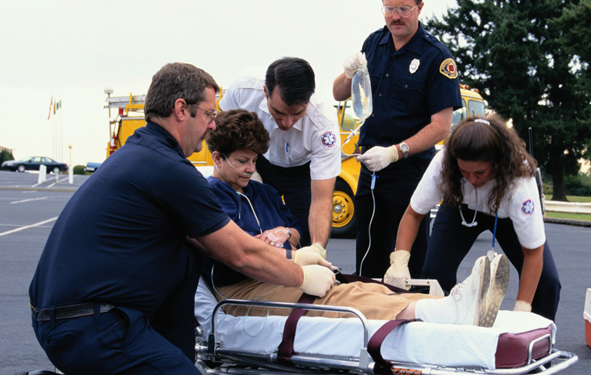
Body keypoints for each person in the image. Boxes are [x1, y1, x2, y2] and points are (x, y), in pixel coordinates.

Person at [12, 63, 336, 375]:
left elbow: (212, 247)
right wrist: (300, 275)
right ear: (182, 110)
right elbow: (241, 253)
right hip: (91, 329)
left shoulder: (139, 155)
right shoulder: (169, 170)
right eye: (209, 115)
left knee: (184, 256)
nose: (213, 126)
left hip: (72, 318)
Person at [203, 108, 509, 329]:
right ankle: (442, 315)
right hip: (243, 289)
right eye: (242, 161)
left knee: (368, 287)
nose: (248, 168)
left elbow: (296, 228)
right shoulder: (210, 197)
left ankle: (444, 307)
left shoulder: (263, 193)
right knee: (342, 298)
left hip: (278, 273)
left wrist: (285, 233)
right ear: (218, 158)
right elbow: (240, 252)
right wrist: (294, 257)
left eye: (254, 161)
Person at [383, 115, 562, 375]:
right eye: (464, 171)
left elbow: (533, 252)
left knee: (548, 284)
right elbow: (413, 214)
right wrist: (400, 259)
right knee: (434, 274)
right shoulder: (444, 163)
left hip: (505, 217)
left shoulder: (520, 177)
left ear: (498, 163)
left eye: (479, 172)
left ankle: (530, 370)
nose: (472, 178)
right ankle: (441, 358)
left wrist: (523, 308)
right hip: (458, 209)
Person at [332, 0, 461, 278]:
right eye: (389, 8)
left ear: (419, 7)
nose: (395, 16)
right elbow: (338, 94)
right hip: (370, 170)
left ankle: (412, 314)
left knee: (411, 262)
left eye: (403, 8)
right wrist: (348, 73)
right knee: (368, 257)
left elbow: (441, 127)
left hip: (409, 172)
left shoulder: (437, 57)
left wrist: (395, 152)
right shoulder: (374, 43)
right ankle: (370, 315)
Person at [219, 57, 340, 256]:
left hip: (302, 171)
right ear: (266, 91)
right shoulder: (244, 89)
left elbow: (322, 200)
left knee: (304, 239)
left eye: (297, 114)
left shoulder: (323, 125)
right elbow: (221, 130)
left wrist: (317, 249)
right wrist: (245, 169)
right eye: (278, 112)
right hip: (259, 161)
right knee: (250, 227)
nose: (286, 123)